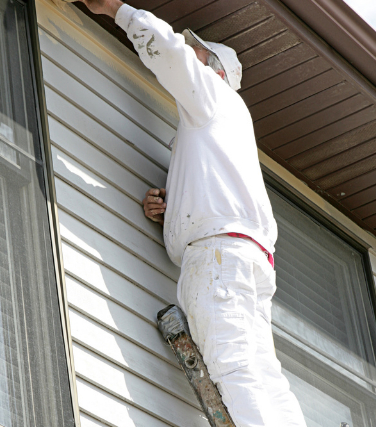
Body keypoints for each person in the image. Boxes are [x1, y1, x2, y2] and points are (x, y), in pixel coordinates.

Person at [78, 0, 307, 425]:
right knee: (265, 376)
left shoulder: (215, 95)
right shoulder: (229, 132)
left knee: (234, 368)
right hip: (246, 257)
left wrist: (115, 9)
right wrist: (175, 212)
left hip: (219, 258)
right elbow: (215, 197)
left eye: (200, 54)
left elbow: (170, 53)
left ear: (216, 71)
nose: (192, 57)